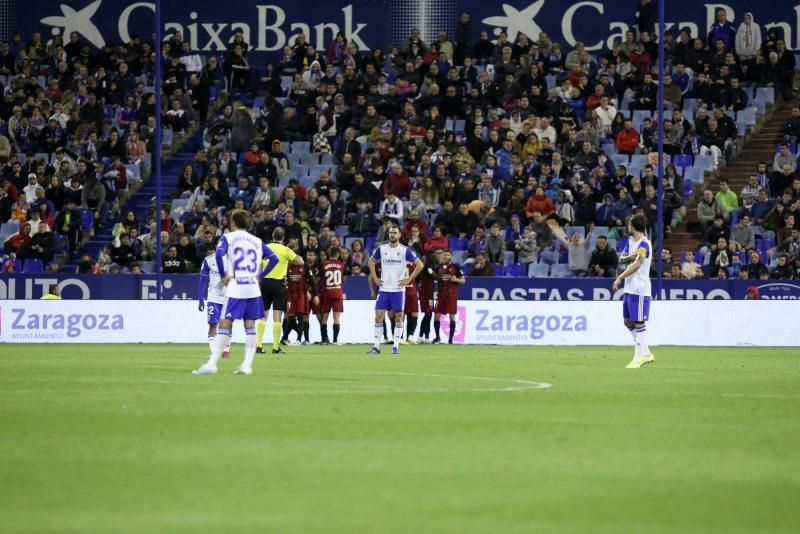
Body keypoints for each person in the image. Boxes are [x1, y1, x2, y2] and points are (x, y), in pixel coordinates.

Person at [193, 209, 279, 376]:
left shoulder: (228, 237)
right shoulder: (256, 240)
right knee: (250, 325)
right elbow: (274, 258)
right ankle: (246, 366)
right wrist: (260, 276)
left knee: (225, 324)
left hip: (236, 287)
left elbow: (218, 254)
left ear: (233, 223)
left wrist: (224, 275)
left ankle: (212, 364)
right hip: (253, 288)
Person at [367, 225, 424, 354]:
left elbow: (420, 265)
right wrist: (375, 277)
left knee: (399, 317)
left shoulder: (405, 250)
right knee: (378, 316)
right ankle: (376, 347)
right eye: (390, 232)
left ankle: (396, 346)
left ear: (399, 235)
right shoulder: (382, 249)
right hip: (384, 289)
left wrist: (409, 279)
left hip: (398, 290)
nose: (392, 235)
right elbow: (371, 261)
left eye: (394, 233)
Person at [612, 213, 654, 369]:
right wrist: (632, 256)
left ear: (635, 226)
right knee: (627, 321)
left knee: (638, 322)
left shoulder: (645, 244)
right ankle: (647, 352)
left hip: (640, 289)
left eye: (630, 224)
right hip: (630, 288)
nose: (628, 226)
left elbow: (637, 264)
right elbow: (621, 259)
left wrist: (619, 278)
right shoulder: (630, 241)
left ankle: (637, 359)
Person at [256, 227, 304, 354]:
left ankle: (259, 345)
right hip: (279, 285)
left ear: (272, 235)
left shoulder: (264, 248)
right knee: (277, 317)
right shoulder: (286, 250)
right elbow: (301, 262)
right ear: (283, 238)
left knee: (263, 316)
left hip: (265, 283)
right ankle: (275, 347)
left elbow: (258, 266)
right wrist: (292, 253)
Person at [197, 245, 231, 360]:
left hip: (228, 297)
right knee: (212, 324)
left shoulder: (232, 260)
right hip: (213, 297)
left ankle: (226, 350)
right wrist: (201, 298)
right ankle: (214, 352)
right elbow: (202, 279)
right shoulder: (208, 260)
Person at [433, 250, 466, 344]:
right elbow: (435, 278)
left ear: (451, 256)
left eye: (448, 255)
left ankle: (450, 339)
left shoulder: (456, 267)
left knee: (452, 316)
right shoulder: (439, 267)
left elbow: (463, 281)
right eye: (444, 255)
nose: (446, 256)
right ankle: (437, 337)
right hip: (441, 295)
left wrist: (456, 279)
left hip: (451, 295)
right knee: (436, 316)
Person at [282, 247, 311, 345]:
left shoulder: (305, 266)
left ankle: (298, 339)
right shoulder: (287, 266)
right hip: (290, 295)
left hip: (301, 295)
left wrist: (312, 293)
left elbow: (311, 280)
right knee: (290, 318)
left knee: (300, 316)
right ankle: (290, 336)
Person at [320, 246, 347, 345]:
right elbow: (343, 279)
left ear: (329, 253)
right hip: (337, 293)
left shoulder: (323, 264)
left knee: (324, 318)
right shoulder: (342, 264)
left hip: (326, 293)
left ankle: (324, 340)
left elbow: (320, 279)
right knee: (336, 318)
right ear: (338, 254)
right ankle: (335, 340)